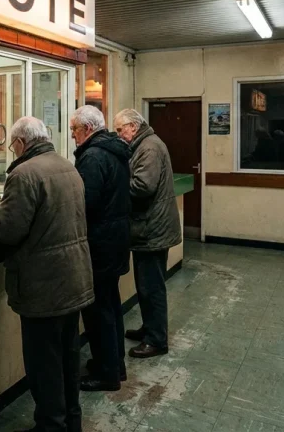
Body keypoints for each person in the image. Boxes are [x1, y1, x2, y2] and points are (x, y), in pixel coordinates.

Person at [0, 116, 94, 432]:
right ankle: (71, 421)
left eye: (12, 146)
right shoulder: (67, 166)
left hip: (43, 286)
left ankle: (50, 425)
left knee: (43, 365)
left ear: (19, 143)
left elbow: (8, 230)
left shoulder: (23, 175)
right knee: (68, 359)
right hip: (73, 278)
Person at [70, 106, 131, 392]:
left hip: (99, 244)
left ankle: (107, 374)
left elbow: (85, 203)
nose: (72, 136)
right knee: (111, 307)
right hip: (115, 239)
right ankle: (114, 364)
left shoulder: (93, 157)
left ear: (88, 129)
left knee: (98, 312)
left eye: (74, 130)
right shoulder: (114, 151)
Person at [113, 108, 182, 358]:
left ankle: (157, 340)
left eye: (120, 129)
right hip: (149, 227)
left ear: (133, 126)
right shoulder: (145, 143)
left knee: (151, 287)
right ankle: (149, 328)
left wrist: (116, 183)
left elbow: (143, 186)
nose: (118, 134)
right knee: (145, 286)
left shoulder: (149, 147)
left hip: (152, 229)